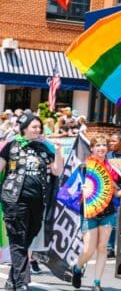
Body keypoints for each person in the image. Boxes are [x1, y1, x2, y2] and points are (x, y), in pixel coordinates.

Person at [0, 112, 63, 290]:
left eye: (39, 127)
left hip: (37, 202)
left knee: (28, 236)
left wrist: (57, 151)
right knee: (18, 239)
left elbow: (57, 171)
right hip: (14, 200)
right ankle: (21, 282)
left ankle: (12, 279)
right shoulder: (11, 145)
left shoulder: (44, 148)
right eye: (34, 126)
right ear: (24, 128)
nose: (38, 130)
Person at [71, 136, 121, 291]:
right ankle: (77, 268)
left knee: (103, 247)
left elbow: (115, 193)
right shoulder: (84, 167)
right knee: (88, 249)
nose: (101, 148)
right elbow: (72, 191)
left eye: (104, 145)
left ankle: (97, 283)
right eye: (97, 145)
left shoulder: (111, 168)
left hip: (108, 212)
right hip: (90, 212)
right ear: (92, 148)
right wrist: (82, 190)